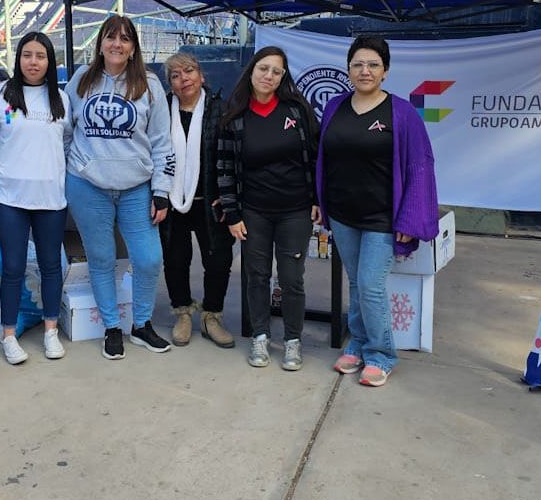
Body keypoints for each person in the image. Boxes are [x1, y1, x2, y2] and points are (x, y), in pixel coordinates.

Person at [318, 35, 438, 387]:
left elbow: (420, 167)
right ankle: (357, 341)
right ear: (348, 69)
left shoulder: (402, 113)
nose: (364, 71)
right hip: (342, 213)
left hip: (382, 217)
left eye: (373, 64)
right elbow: (324, 159)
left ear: (385, 71)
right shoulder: (334, 107)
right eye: (358, 64)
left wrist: (411, 220)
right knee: (356, 282)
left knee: (370, 284)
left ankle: (382, 353)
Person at [66, 14, 174, 360]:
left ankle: (141, 324)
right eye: (111, 37)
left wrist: (162, 190)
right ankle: (111, 327)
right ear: (100, 42)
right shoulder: (82, 80)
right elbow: (65, 129)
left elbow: (162, 143)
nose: (117, 44)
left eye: (125, 39)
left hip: (136, 188)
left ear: (133, 48)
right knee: (101, 259)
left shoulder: (149, 84)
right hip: (87, 186)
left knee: (147, 258)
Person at [217, 46, 319, 371]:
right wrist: (233, 215)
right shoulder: (235, 116)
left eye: (276, 71)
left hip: (295, 211)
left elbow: (316, 160)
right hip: (254, 213)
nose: (269, 76)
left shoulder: (297, 111)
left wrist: (317, 199)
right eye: (263, 69)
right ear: (252, 71)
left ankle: (292, 341)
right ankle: (260, 337)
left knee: (291, 280)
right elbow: (225, 169)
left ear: (283, 77)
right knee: (256, 276)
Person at [0, 32, 71, 364]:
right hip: (9, 199)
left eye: (40, 56)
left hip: (50, 199)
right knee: (13, 267)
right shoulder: (1, 97)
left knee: (51, 266)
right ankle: (9, 335)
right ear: (18, 59)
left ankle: (51, 331)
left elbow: (66, 142)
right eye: (27, 55)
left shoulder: (61, 99)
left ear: (50, 62)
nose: (33, 62)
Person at [159, 53, 235, 349]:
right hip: (172, 201)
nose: (183, 79)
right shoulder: (162, 110)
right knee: (175, 260)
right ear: (170, 84)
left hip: (211, 202)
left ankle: (211, 317)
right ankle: (182, 313)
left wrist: (228, 199)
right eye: (175, 75)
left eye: (189, 71)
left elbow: (231, 157)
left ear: (202, 76)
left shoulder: (221, 109)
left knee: (219, 260)